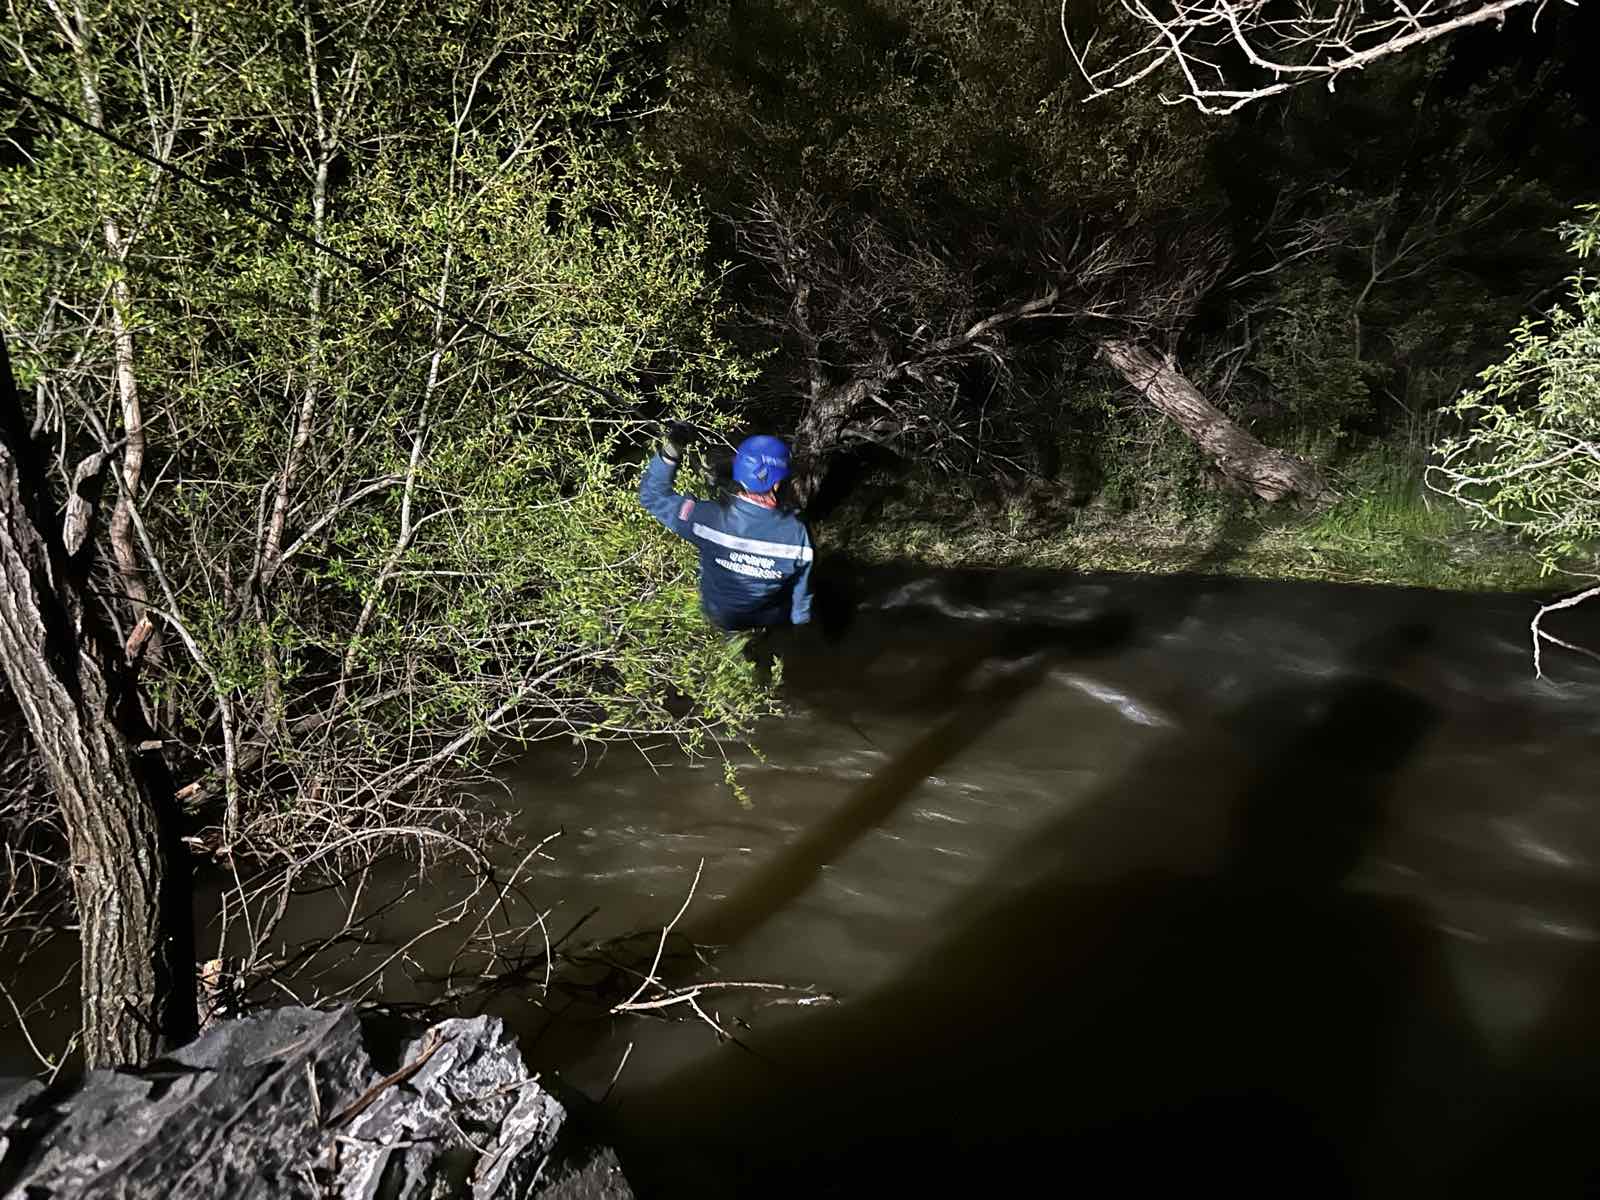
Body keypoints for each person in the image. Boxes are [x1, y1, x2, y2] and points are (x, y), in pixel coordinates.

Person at [639, 423, 813, 631]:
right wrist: (800, 618)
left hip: (719, 615)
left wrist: (672, 449)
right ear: (776, 484)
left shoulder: (706, 518)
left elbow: (652, 496)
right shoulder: (797, 534)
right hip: (764, 615)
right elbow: (801, 603)